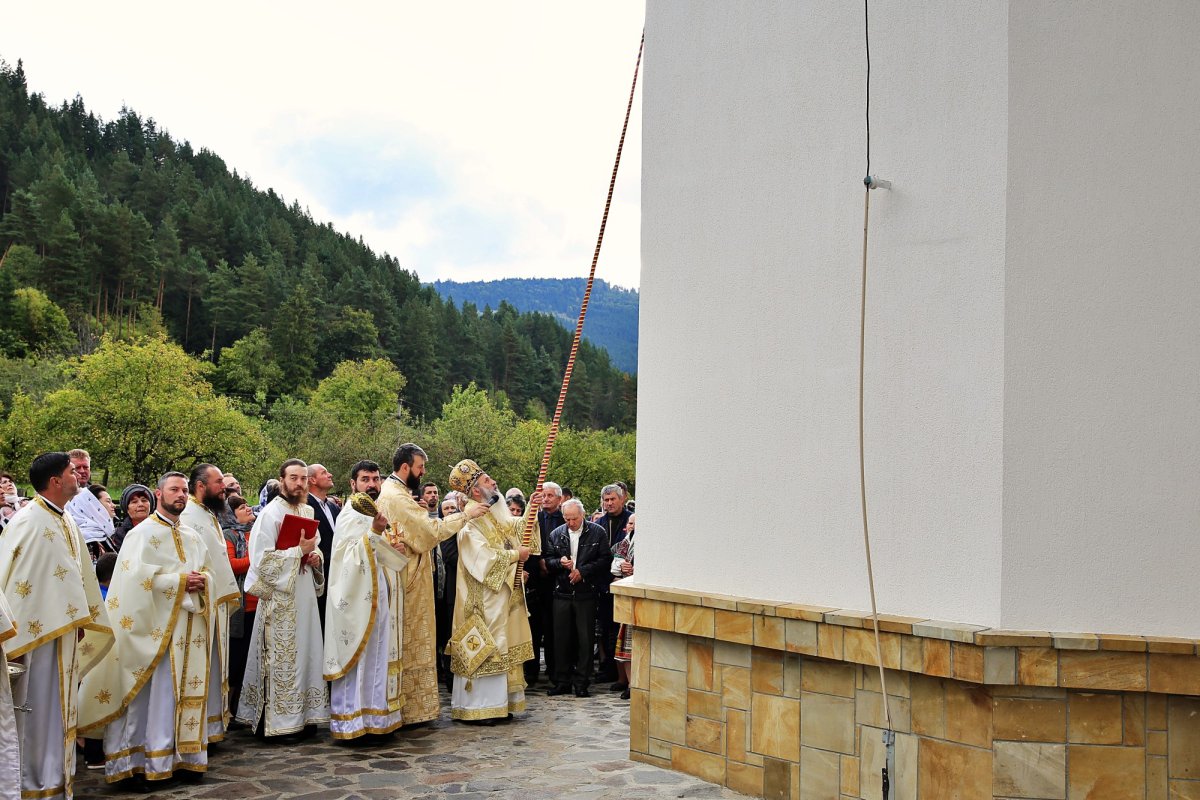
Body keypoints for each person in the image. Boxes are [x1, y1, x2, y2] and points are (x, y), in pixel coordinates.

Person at [79, 472, 221, 786]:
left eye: (185, 490)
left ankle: (181, 759)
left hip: (187, 631)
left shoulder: (193, 536)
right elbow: (130, 581)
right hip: (150, 631)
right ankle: (137, 765)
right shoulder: (141, 535)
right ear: (159, 493)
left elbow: (210, 575)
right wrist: (180, 581)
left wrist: (202, 582)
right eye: (174, 489)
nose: (181, 495)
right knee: (147, 698)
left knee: (177, 696)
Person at [0, 452, 113, 800]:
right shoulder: (28, 522)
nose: (78, 477)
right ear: (55, 481)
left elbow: (75, 578)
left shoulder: (65, 520)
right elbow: (12, 579)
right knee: (36, 712)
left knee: (57, 713)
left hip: (62, 635)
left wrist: (80, 618)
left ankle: (55, 781)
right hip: (33, 640)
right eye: (70, 472)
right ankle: (32, 784)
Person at [375, 444, 487, 726]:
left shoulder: (398, 493)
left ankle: (411, 707)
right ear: (405, 467)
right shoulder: (397, 498)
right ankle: (412, 709)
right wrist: (465, 517)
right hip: (408, 578)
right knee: (413, 642)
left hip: (412, 573)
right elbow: (429, 533)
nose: (423, 472)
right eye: (420, 467)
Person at [235, 459, 330, 739]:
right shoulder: (270, 514)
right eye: (293, 478)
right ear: (282, 480)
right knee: (281, 659)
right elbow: (261, 561)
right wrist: (297, 553)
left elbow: (316, 549)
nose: (299, 483)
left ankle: (307, 715)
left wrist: (315, 558)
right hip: (280, 599)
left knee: (308, 653)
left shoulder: (307, 509)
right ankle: (279, 721)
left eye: (303, 478)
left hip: (304, 596)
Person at [323, 460, 411, 739]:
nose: (372, 484)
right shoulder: (350, 512)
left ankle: (376, 719)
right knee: (359, 657)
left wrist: (392, 545)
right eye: (365, 479)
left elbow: (379, 550)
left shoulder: (375, 511)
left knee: (378, 655)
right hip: (355, 600)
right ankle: (351, 722)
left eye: (376, 479)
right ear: (353, 484)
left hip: (378, 595)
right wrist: (374, 533)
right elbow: (346, 557)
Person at [445, 460, 538, 722]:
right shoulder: (470, 522)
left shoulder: (493, 514)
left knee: (502, 643)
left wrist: (533, 505)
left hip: (501, 597)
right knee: (488, 645)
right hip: (483, 600)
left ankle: (501, 704)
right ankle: (480, 708)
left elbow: (516, 529)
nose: (493, 482)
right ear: (475, 491)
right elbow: (481, 560)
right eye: (487, 481)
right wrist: (514, 555)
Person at [179, 464, 242, 743]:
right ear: (201, 486)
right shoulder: (190, 515)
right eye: (218, 483)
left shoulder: (208, 513)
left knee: (216, 665)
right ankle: (198, 729)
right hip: (199, 604)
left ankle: (212, 726)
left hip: (214, 601)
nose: (224, 489)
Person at [546, 498, 609, 697]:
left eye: (574, 518)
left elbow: (605, 559)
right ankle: (562, 680)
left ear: (582, 515)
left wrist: (583, 571)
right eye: (567, 519)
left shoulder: (597, 532)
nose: (571, 523)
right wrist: (559, 562)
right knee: (561, 639)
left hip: (586, 593)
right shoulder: (557, 534)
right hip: (562, 592)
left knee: (585, 639)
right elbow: (548, 559)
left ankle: (582, 682)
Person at [525, 481, 565, 687]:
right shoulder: (534, 518)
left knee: (553, 629)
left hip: (556, 580)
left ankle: (554, 669)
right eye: (544, 495)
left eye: (550, 495)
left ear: (559, 499)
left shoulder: (564, 519)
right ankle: (531, 671)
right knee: (533, 627)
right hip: (534, 580)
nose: (546, 498)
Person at [593, 484, 631, 682]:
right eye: (606, 500)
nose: (609, 503)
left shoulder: (631, 520)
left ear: (622, 498)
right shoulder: (599, 523)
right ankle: (606, 668)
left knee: (619, 630)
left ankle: (622, 675)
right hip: (603, 583)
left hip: (624, 584)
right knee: (604, 629)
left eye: (612, 499)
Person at [222, 494, 255, 713]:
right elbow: (231, 565)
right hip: (241, 607)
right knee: (236, 660)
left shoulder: (258, 531)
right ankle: (229, 707)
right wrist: (259, 559)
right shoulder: (229, 535)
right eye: (242, 507)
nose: (248, 509)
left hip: (259, 603)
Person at [305, 463, 339, 626]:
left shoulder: (333, 506)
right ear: (312, 479)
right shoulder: (306, 506)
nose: (330, 474)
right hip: (318, 574)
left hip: (337, 571)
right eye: (324, 472)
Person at [65, 449, 115, 552]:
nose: (82, 471)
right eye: (77, 467)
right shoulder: (60, 497)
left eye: (86, 467)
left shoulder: (95, 495)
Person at [610, 513, 636, 699]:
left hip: (640, 597)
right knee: (626, 646)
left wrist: (636, 570)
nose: (631, 526)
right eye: (630, 522)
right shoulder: (625, 543)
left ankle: (638, 684)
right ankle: (630, 684)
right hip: (627, 598)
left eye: (635, 523)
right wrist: (623, 568)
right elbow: (615, 565)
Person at [84, 484, 120, 562]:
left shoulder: (101, 534)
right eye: (108, 501)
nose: (113, 505)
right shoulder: (89, 540)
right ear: (94, 506)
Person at [113, 484, 154, 551]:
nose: (140, 504)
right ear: (127, 509)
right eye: (134, 502)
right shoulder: (120, 534)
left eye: (144, 500)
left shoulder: (161, 527)